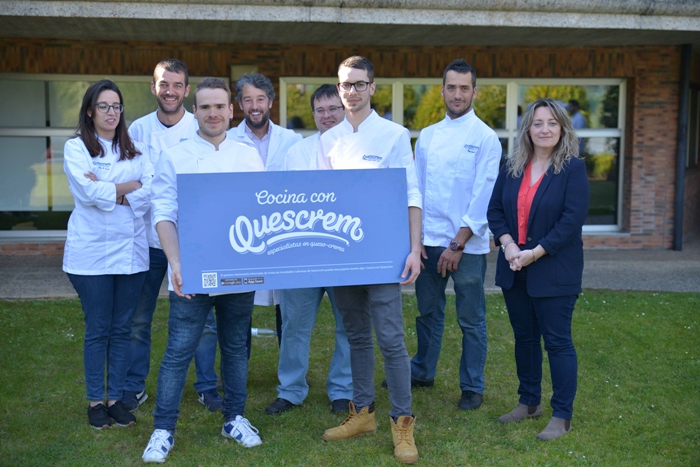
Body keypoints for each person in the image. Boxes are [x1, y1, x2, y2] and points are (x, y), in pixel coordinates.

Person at [142, 78, 265, 463]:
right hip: (191, 273)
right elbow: (163, 214)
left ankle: (235, 418)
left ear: (231, 110)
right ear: (194, 111)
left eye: (220, 107)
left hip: (238, 271)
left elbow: (259, 213)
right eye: (206, 107)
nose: (213, 113)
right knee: (178, 350)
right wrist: (176, 264)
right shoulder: (175, 156)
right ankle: (163, 429)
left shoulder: (248, 156)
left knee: (236, 348)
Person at [317, 56, 422, 464]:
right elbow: (321, 200)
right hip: (342, 254)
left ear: (372, 87)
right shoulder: (328, 139)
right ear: (338, 88)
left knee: (391, 339)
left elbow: (411, 195)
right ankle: (362, 414)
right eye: (346, 84)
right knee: (356, 335)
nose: (352, 91)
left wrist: (413, 249)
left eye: (359, 84)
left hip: (383, 253)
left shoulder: (394, 135)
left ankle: (402, 422)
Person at [487, 97, 589, 441]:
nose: (545, 129)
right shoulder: (512, 166)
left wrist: (535, 253)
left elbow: (571, 221)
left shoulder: (572, 169)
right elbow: (494, 211)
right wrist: (509, 245)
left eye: (552, 123)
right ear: (527, 129)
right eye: (537, 123)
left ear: (562, 128)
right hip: (514, 266)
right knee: (525, 339)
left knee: (557, 342)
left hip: (554, 269)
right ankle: (529, 402)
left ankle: (562, 414)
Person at [125, 58, 224, 414]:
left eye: (177, 85)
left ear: (186, 90)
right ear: (153, 87)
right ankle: (134, 386)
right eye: (163, 84)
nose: (170, 91)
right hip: (148, 241)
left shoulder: (200, 127)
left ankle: (206, 385)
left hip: (192, 242)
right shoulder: (137, 129)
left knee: (204, 321)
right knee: (140, 318)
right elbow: (131, 181)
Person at [410, 59, 502, 410]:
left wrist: (457, 243)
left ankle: (472, 386)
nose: (458, 94)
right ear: (442, 91)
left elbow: (483, 196)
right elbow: (417, 191)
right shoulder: (428, 136)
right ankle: (422, 371)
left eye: (464, 88)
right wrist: (417, 240)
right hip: (429, 243)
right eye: (452, 87)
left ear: (474, 92)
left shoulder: (485, 138)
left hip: (467, 247)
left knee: (471, 320)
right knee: (427, 313)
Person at [63, 79, 151, 429]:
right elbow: (86, 194)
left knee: (122, 328)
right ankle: (95, 402)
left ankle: (115, 399)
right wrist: (129, 188)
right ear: (90, 111)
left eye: (116, 106)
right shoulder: (76, 148)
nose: (111, 112)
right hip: (90, 254)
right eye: (103, 106)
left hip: (131, 253)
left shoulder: (137, 149)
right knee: (99, 328)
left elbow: (150, 192)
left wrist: (108, 190)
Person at [264, 85, 352, 416]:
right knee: (294, 325)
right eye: (320, 110)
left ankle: (343, 390)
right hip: (301, 252)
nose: (327, 115)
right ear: (313, 114)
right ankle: (290, 390)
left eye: (333, 108)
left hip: (346, 251)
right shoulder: (298, 152)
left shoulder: (359, 149)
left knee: (349, 325)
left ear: (345, 110)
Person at [227, 73, 302, 347]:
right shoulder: (227, 141)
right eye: (248, 100)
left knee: (288, 311)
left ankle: (289, 368)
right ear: (239, 104)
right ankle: (238, 366)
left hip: (282, 235)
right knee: (239, 310)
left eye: (260, 99)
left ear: (270, 101)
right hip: (243, 234)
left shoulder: (292, 140)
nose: (254, 106)